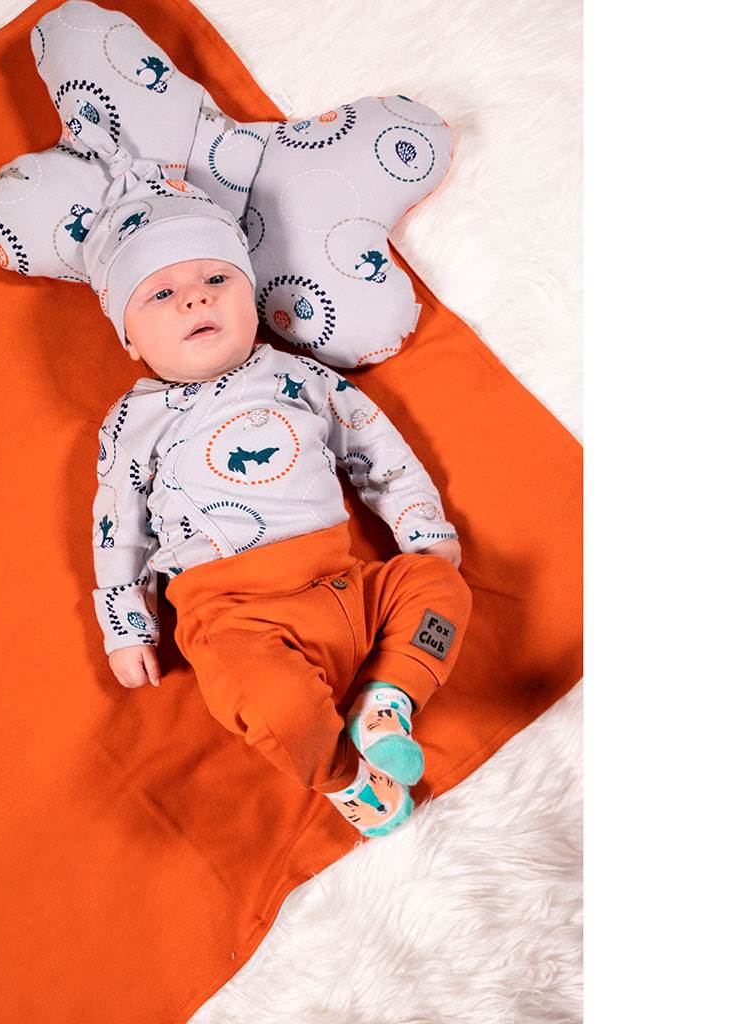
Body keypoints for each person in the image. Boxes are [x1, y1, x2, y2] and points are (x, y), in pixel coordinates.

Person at [77, 120, 472, 837]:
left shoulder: (297, 376)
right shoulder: (134, 420)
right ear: (128, 338)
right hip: (235, 615)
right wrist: (126, 621)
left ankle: (388, 701)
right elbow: (117, 522)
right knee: (273, 705)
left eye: (216, 279)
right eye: (161, 294)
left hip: (347, 587)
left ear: (251, 295)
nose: (196, 300)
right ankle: (346, 778)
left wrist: (420, 523)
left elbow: (372, 442)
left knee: (440, 588)